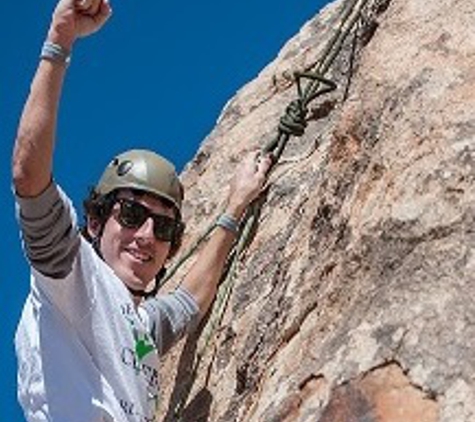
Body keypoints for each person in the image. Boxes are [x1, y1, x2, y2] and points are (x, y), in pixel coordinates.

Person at [12, 0, 272, 421]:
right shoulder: (71, 275)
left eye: (164, 227)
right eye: (131, 216)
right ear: (95, 222)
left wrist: (234, 208)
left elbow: (191, 302)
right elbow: (29, 176)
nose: (147, 236)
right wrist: (59, 41)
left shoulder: (141, 329)